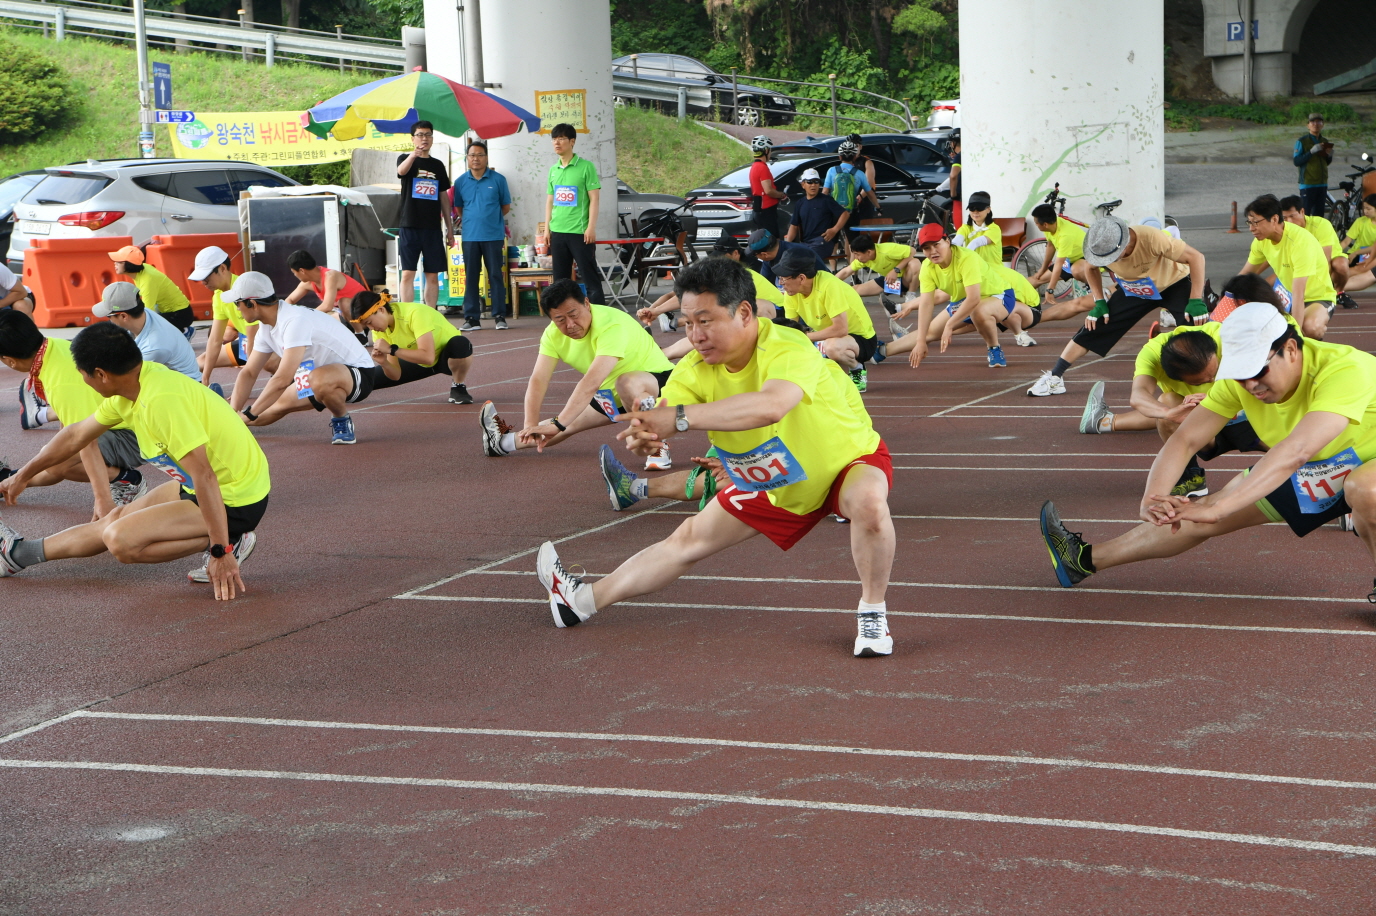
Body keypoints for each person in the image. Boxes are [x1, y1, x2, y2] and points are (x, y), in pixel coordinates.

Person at [534, 256, 897, 658]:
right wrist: (645, 435)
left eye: (705, 321)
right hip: (778, 479)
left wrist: (679, 418)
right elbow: (661, 416)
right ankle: (579, 602)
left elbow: (771, 406)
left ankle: (872, 612)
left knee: (868, 503)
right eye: (687, 324)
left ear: (744, 313)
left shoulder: (788, 345)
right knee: (686, 540)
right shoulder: (693, 369)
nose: (695, 335)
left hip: (846, 463)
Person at [1040, 301, 1376, 600]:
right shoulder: (1239, 383)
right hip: (1327, 463)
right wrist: (1154, 497)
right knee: (1201, 512)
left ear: (1290, 349)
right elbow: (1185, 439)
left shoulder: (1345, 369)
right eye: (1239, 375)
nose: (1250, 385)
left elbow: (1296, 451)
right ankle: (1082, 560)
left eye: (1257, 371)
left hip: (1364, 458)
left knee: (1366, 490)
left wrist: (1221, 507)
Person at [0, 323, 269, 598]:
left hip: (236, 497)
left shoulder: (160, 401)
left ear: (101, 374)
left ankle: (231, 540)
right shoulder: (132, 387)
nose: (82, 380)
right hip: (202, 483)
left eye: (82, 374)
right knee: (114, 519)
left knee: (120, 540)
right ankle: (18, 554)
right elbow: (75, 436)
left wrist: (220, 551)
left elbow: (205, 476)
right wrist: (22, 476)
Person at [480, 279, 674, 468]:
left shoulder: (610, 324)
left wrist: (559, 424)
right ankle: (501, 443)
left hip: (658, 383)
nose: (570, 324)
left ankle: (658, 447)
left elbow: (591, 382)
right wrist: (530, 424)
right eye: (560, 320)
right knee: (564, 426)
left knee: (627, 383)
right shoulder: (552, 335)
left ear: (587, 304)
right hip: (610, 392)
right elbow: (539, 379)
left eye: (574, 314)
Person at [1027, 211, 1208, 397]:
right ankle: (1055, 377)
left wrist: (1195, 299)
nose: (1108, 263)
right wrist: (1099, 302)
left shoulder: (1152, 238)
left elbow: (1196, 257)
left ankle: (1212, 378)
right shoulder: (1098, 249)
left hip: (1174, 283)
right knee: (1097, 323)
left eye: (1111, 258)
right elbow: (1090, 268)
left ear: (1124, 244)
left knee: (1197, 328)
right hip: (1137, 287)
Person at [0, 309, 146, 513]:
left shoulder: (60, 383)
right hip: (124, 420)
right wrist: (18, 478)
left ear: (10, 361)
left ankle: (126, 480)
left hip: (136, 434)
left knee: (59, 461)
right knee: (52, 454)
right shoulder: (53, 348)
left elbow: (84, 441)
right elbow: (68, 436)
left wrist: (102, 498)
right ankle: (7, 481)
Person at [225, 272, 381, 446]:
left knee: (317, 379)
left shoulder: (294, 321)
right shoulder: (266, 328)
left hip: (359, 373)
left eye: (237, 303)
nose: (237, 309)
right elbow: (249, 372)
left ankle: (341, 418)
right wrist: (234, 414)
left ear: (252, 303)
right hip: (317, 375)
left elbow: (282, 379)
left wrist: (248, 414)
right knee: (268, 410)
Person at [884, 223, 1036, 369]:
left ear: (947, 241)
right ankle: (881, 351)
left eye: (936, 244)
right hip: (964, 301)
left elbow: (974, 299)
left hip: (998, 295)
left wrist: (949, 325)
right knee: (929, 333)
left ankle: (994, 348)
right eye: (926, 248)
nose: (933, 251)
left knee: (978, 311)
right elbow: (926, 303)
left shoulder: (966, 258)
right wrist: (920, 341)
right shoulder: (927, 267)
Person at [774, 248, 878, 390]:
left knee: (831, 347)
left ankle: (856, 368)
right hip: (827, 337)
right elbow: (790, 329)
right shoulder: (791, 293)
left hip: (861, 339)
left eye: (784, 278)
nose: (781, 283)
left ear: (802, 278)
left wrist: (805, 337)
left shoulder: (828, 285)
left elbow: (841, 329)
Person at [1237, 193, 1337, 339]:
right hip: (1286, 297)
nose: (1251, 228)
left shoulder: (1300, 242)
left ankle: (1309, 347)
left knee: (1310, 327)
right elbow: (1245, 276)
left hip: (1317, 297)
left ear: (1274, 219)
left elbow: (1299, 294)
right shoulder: (1260, 241)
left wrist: (1295, 336)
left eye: (1256, 222)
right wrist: (1226, 296)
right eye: (1249, 223)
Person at [350, 290, 474, 404]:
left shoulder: (415, 313)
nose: (371, 329)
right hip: (418, 361)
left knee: (460, 344)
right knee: (363, 381)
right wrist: (384, 363)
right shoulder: (380, 329)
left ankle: (458, 386)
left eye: (370, 322)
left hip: (446, 357)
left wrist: (392, 350)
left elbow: (428, 357)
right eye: (367, 326)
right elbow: (396, 375)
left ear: (381, 310)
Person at [191, 245, 276, 398]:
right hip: (247, 343)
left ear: (222, 268)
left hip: (271, 343)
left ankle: (288, 378)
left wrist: (242, 386)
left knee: (268, 364)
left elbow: (253, 343)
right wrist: (205, 378)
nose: (203, 282)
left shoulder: (246, 289)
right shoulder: (218, 296)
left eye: (206, 277)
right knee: (200, 361)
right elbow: (215, 340)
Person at [540, 122, 604, 305]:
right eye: (554, 139)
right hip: (558, 232)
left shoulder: (586, 167)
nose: (557, 143)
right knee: (560, 282)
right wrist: (547, 230)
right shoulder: (553, 170)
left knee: (589, 277)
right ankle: (562, 316)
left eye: (561, 139)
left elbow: (594, 199)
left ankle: (599, 314)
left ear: (572, 141)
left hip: (580, 232)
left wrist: (591, 227)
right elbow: (550, 201)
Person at [452, 139, 512, 331]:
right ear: (467, 158)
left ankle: (500, 316)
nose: (476, 159)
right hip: (470, 237)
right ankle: (471, 318)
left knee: (495, 275)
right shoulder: (460, 181)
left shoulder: (498, 180)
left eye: (480, 155)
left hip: (493, 236)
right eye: (472, 155)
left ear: (486, 157)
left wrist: (489, 219)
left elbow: (505, 207)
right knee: (471, 276)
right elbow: (459, 208)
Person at [395, 120, 455, 308]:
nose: (424, 138)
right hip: (409, 225)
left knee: (432, 274)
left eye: (428, 135)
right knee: (408, 273)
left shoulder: (437, 165)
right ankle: (407, 314)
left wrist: (450, 228)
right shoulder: (405, 158)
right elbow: (401, 171)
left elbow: (444, 196)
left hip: (432, 227)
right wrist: (413, 155)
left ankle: (431, 313)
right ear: (412, 139)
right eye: (420, 135)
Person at [92, 282, 200, 381]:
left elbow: (129, 379)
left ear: (124, 316)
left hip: (185, 388)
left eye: (109, 316)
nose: (109, 321)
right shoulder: (143, 314)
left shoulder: (154, 347)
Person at [1279, 194, 1354, 309]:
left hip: (1330, 258)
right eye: (1284, 218)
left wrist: (1320, 289)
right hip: (1303, 260)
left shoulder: (1321, 224)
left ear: (1302, 212)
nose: (1289, 221)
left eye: (1292, 216)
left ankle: (1337, 293)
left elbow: (1325, 260)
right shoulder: (1284, 229)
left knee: (1341, 265)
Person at [1027, 203, 1096, 322]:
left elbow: (1058, 264)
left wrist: (1050, 289)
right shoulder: (1050, 226)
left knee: (1076, 270)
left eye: (1036, 223)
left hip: (1085, 258)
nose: (1036, 224)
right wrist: (1042, 269)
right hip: (1069, 260)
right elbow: (1050, 246)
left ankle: (1094, 290)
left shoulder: (1066, 234)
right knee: (1035, 279)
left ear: (1045, 224)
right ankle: (1007, 303)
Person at [108, 245, 194, 335]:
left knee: (146, 324)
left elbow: (147, 314)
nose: (115, 263)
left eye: (119, 262)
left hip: (180, 315)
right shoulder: (142, 269)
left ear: (130, 264)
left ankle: (183, 331)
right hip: (168, 310)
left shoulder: (148, 281)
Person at [836, 233, 919, 312]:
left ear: (869, 252)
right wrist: (829, 283)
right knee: (852, 290)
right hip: (890, 281)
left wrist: (895, 270)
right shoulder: (862, 260)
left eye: (857, 254)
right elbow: (846, 272)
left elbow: (912, 251)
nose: (856, 257)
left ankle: (910, 295)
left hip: (907, 280)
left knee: (915, 263)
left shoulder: (887, 249)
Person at [784, 168, 849, 263]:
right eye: (810, 182)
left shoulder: (826, 200)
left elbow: (845, 214)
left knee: (805, 259)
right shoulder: (800, 203)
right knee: (785, 258)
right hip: (806, 243)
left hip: (822, 242)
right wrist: (786, 245)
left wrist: (834, 230)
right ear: (803, 184)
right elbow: (794, 226)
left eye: (816, 182)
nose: (813, 185)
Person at [284, 250, 369, 319]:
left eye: (294, 272)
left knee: (321, 320)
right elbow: (289, 300)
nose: (294, 275)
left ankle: (360, 333)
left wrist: (305, 317)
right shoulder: (307, 283)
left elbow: (327, 306)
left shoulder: (330, 276)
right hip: (346, 314)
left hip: (365, 312)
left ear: (302, 271)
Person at [823, 141, 881, 243]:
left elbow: (825, 192)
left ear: (840, 156)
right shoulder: (859, 173)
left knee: (831, 240)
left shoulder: (832, 171)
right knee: (853, 242)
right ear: (854, 157)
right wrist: (878, 207)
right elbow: (870, 193)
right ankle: (853, 254)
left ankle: (833, 253)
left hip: (834, 211)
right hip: (851, 212)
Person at [746, 229, 827, 287]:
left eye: (755, 255)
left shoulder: (797, 254)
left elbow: (823, 278)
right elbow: (764, 283)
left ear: (765, 254)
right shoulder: (768, 259)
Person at [1294, 113, 1333, 218]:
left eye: (1319, 122)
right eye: (1313, 122)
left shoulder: (1324, 141)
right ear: (1308, 125)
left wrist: (1329, 156)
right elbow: (1297, 161)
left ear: (1322, 125)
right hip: (1308, 183)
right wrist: (1311, 152)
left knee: (1319, 216)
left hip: (1322, 183)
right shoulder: (1302, 141)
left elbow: (1326, 162)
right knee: (1305, 215)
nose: (1316, 124)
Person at [747, 134, 786, 239]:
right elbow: (768, 190)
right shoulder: (762, 168)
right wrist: (781, 195)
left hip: (759, 208)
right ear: (766, 150)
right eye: (770, 150)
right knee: (773, 241)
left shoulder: (754, 166)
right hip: (767, 210)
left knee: (764, 239)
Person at [953, 191, 1002, 267]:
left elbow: (976, 243)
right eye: (972, 208)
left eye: (979, 208)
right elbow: (956, 241)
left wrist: (963, 258)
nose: (975, 212)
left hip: (993, 270)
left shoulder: (994, 229)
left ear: (988, 209)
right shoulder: (965, 228)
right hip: (975, 270)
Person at [1340, 194, 1376, 294]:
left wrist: (1357, 252)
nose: (1365, 211)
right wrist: (1335, 253)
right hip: (1356, 254)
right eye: (1364, 208)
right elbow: (1346, 241)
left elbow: (1374, 247)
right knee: (1342, 265)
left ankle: (1336, 285)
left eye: (1368, 209)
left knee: (1362, 269)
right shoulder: (1360, 221)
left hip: (1368, 254)